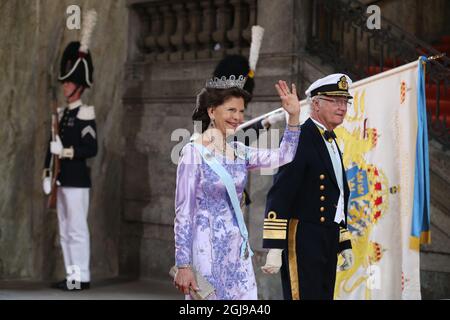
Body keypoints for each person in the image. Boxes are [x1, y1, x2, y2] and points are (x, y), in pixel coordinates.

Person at [173, 76, 301, 300]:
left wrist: (293, 117)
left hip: (237, 249)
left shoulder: (240, 150)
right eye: (231, 110)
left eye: (241, 111)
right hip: (206, 250)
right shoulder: (193, 153)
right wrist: (183, 264)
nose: (238, 117)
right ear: (212, 111)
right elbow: (183, 213)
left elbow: (285, 155)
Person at [261, 73, 354, 300]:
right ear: (315, 104)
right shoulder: (300, 136)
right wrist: (275, 245)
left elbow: (338, 196)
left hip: (327, 237)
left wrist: (343, 242)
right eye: (335, 101)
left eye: (345, 102)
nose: (342, 107)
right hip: (303, 236)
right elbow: (281, 191)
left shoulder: (332, 141)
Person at [42, 10, 98, 291]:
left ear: (79, 85)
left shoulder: (86, 113)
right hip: (61, 180)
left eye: (69, 82)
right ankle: (72, 275)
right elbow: (50, 145)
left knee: (76, 230)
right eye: (64, 82)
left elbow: (91, 148)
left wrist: (64, 153)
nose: (65, 86)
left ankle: (82, 277)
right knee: (65, 231)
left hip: (76, 180)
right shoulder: (62, 114)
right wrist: (47, 170)